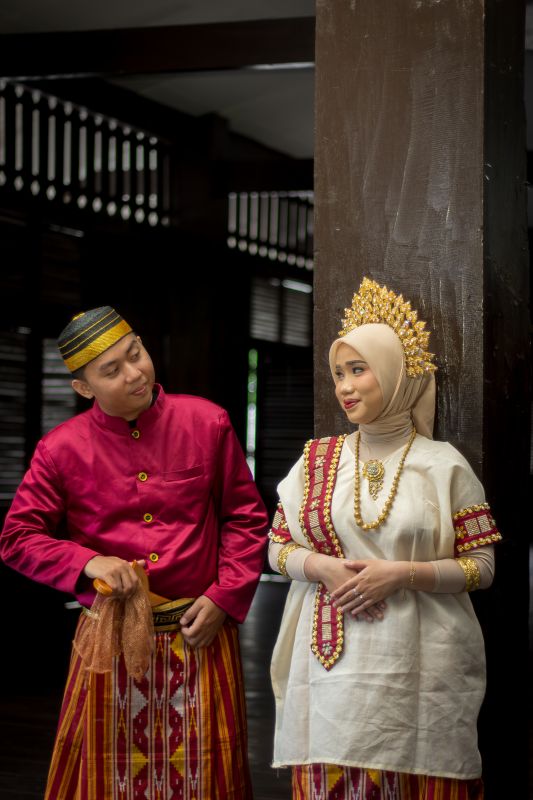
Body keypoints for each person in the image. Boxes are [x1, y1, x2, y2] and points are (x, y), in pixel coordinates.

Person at [0, 305, 268, 799]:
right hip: (110, 638)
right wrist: (88, 561)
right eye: (112, 370)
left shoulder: (207, 421)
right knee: (107, 780)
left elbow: (245, 519)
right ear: (84, 388)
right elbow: (17, 538)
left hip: (200, 631)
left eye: (135, 353)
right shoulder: (60, 449)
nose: (135, 373)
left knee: (209, 778)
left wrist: (226, 597)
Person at [268, 278, 501, 800]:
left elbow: (482, 567)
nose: (345, 387)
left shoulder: (443, 465)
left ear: (397, 375)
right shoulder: (316, 460)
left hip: (421, 668)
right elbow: (277, 547)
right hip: (331, 674)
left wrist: (401, 575)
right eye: (338, 374)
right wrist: (323, 568)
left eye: (359, 369)